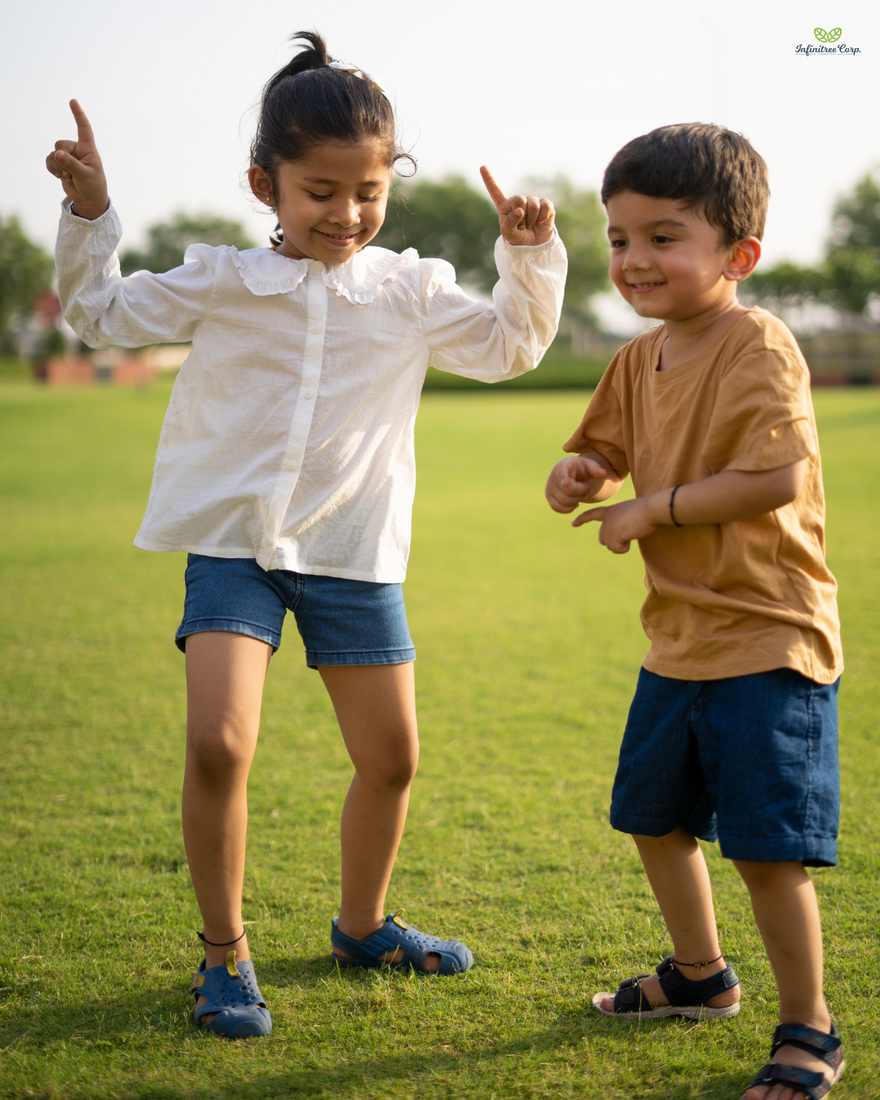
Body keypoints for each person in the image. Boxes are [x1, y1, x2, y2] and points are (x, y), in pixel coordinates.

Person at [47, 30, 566, 1040]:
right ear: (265, 183)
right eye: (320, 191)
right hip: (236, 546)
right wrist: (89, 211)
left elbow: (509, 346)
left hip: (353, 554)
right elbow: (98, 314)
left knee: (393, 759)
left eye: (367, 191)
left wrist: (527, 251)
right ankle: (222, 954)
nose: (347, 214)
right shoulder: (224, 279)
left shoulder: (409, 291)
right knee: (219, 743)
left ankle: (362, 924)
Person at [545, 124, 843, 1100]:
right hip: (677, 639)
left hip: (768, 633)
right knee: (652, 816)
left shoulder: (757, 341)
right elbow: (601, 449)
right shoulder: (639, 360)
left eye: (663, 237)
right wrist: (580, 471)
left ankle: (809, 1031)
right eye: (620, 238)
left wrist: (648, 508)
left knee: (766, 847)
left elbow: (774, 474)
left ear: (736, 254)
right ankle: (698, 973)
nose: (634, 259)